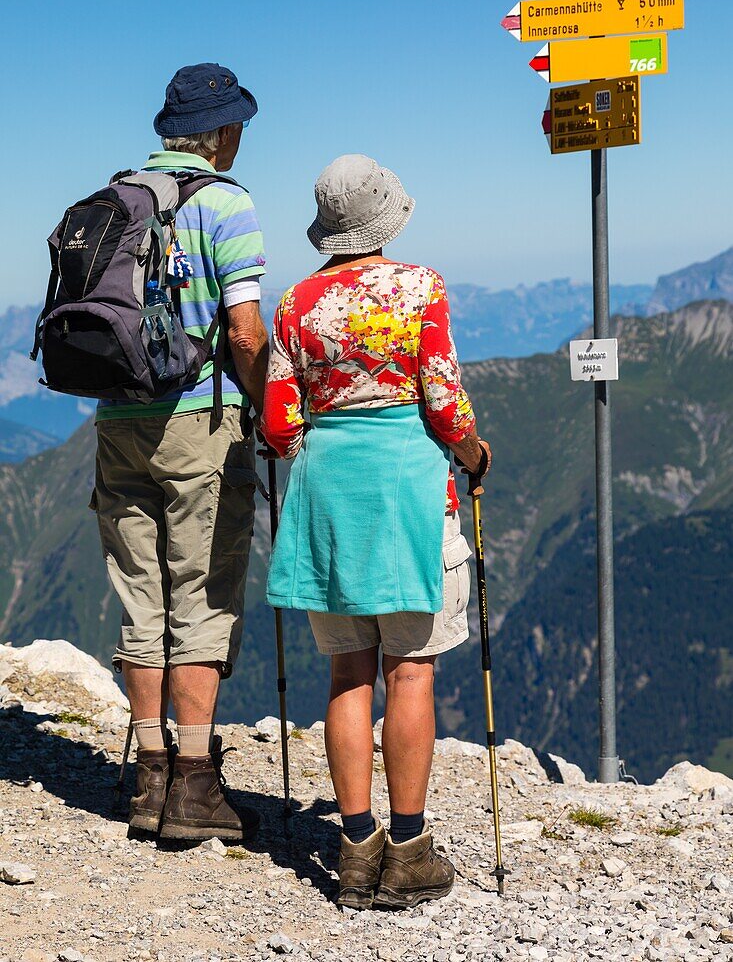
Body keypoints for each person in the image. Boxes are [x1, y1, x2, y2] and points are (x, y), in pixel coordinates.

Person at [261, 154, 491, 909]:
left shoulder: (294, 300)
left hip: (329, 495)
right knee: (410, 669)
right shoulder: (418, 287)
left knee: (346, 673)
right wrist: (471, 452)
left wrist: (325, 449)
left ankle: (354, 850)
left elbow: (278, 423)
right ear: (389, 216)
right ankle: (410, 848)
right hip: (406, 489)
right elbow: (442, 398)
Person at [93, 64, 269, 841]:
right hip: (198, 423)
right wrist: (265, 408)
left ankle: (146, 780)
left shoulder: (114, 199)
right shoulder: (227, 205)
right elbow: (244, 332)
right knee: (199, 599)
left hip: (115, 421)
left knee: (141, 599)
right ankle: (194, 788)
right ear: (224, 133)